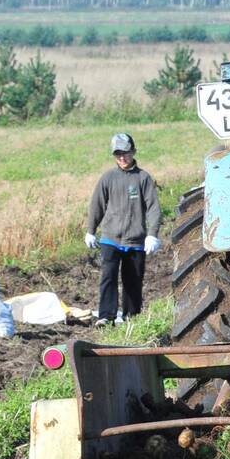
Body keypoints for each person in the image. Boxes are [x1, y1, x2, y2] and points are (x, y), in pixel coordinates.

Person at [85, 133, 162, 327]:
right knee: (108, 277)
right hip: (110, 238)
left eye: (125, 153)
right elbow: (97, 205)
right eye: (118, 154)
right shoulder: (108, 178)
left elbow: (153, 208)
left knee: (133, 281)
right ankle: (106, 316)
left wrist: (152, 235)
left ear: (133, 152)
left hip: (136, 240)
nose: (122, 158)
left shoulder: (143, 178)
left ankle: (132, 317)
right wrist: (91, 230)